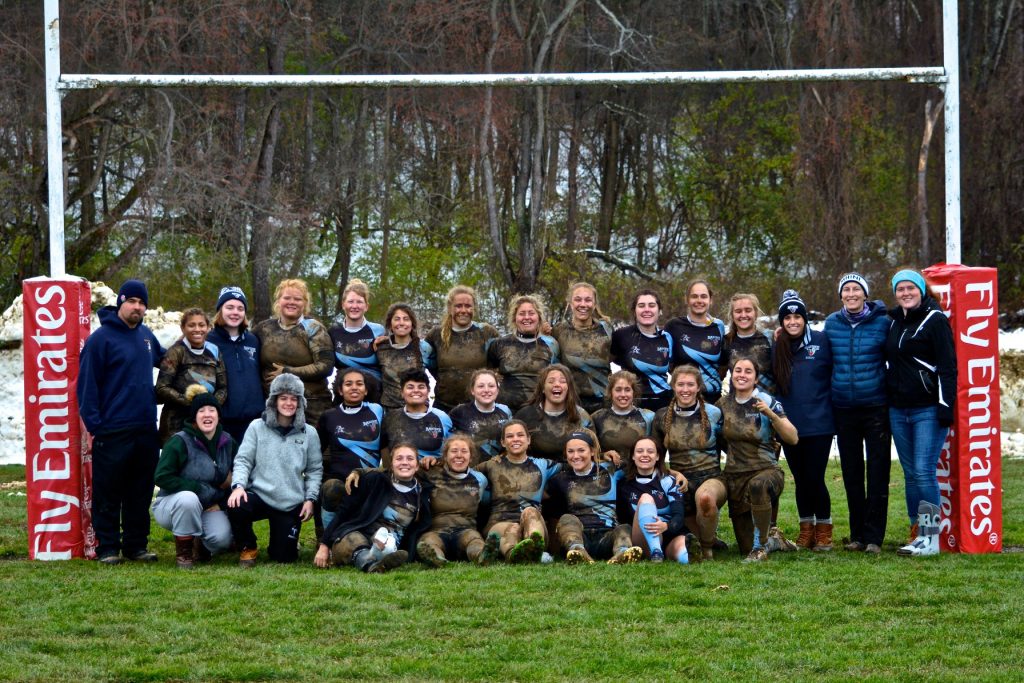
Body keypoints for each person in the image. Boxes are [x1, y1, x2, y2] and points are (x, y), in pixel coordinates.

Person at [77, 279, 165, 565]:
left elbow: (169, 362)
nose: (137, 307)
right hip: (112, 429)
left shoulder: (146, 336)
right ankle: (108, 548)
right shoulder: (100, 339)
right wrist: (96, 425)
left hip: (145, 428)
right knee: (109, 491)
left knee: (139, 491)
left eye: (142, 303)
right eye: (133, 302)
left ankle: (136, 545)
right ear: (121, 303)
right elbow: (87, 386)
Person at [886, 268, 957, 557]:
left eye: (910, 288)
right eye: (900, 289)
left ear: (921, 290)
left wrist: (945, 407)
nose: (905, 293)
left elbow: (948, 368)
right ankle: (917, 531)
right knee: (911, 474)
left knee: (924, 472)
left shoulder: (935, 320)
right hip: (898, 409)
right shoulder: (893, 322)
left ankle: (931, 537)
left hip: (927, 409)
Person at [823, 273, 891, 554]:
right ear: (840, 295)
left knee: (878, 471)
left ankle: (874, 537)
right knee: (852, 473)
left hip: (875, 406)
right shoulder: (831, 324)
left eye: (856, 289)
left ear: (865, 294)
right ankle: (857, 535)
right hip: (843, 408)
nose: (851, 294)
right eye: (846, 290)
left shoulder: (883, 322)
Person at [226, 373, 323, 566]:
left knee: (284, 557)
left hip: (290, 501)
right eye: (283, 398)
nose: (289, 403)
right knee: (236, 504)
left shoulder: (309, 433)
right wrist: (238, 486)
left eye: (294, 399)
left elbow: (314, 470)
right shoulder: (256, 427)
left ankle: (282, 543)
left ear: (300, 403)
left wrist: (310, 499)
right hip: (260, 495)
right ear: (274, 401)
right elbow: (243, 460)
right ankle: (248, 546)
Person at [772, 289, 835, 551]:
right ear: (782, 322)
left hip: (819, 423)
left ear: (805, 319)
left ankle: (824, 531)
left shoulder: (822, 341)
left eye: (798, 316)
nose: (793, 321)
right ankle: (806, 528)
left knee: (815, 477)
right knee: (800, 477)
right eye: (787, 318)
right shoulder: (779, 347)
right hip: (790, 425)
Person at [719, 357, 799, 562]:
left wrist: (772, 415)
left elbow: (793, 438)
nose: (742, 375)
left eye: (748, 371)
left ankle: (760, 547)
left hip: (766, 471)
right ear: (731, 375)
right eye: (738, 370)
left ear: (756, 379)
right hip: (736, 477)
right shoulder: (722, 405)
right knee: (742, 546)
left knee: (758, 485)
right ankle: (773, 541)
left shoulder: (767, 401)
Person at [152, 385, 236, 568]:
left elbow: (238, 475)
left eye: (212, 410)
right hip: (173, 504)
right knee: (188, 499)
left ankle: (200, 543)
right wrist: (198, 489)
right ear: (194, 418)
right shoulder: (179, 441)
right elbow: (161, 477)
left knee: (221, 540)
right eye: (201, 411)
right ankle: (185, 554)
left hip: (209, 507)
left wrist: (220, 503)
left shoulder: (228, 442)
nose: (207, 415)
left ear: (218, 416)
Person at [314, 443, 433, 573]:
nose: (404, 462)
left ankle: (382, 555)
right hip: (358, 535)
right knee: (352, 539)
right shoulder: (375, 480)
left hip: (391, 540)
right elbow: (344, 512)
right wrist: (324, 545)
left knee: (387, 543)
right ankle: (371, 563)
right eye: (399, 459)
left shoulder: (423, 492)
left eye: (410, 459)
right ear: (391, 464)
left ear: (417, 466)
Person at [652, 365, 725, 561]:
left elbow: (730, 446)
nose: (685, 389)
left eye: (690, 385)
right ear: (673, 386)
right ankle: (705, 539)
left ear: (699, 387)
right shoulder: (661, 417)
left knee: (706, 498)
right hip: (681, 482)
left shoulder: (714, 413)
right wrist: (674, 474)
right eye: (680, 384)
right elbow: (654, 459)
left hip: (712, 478)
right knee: (692, 539)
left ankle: (708, 549)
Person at [545, 432, 643, 565]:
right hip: (580, 536)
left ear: (592, 451)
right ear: (565, 454)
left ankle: (622, 553)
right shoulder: (560, 478)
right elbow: (543, 496)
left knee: (624, 527)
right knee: (566, 519)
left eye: (581, 450)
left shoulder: (610, 469)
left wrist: (674, 473)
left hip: (608, 536)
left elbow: (642, 464)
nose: (576, 456)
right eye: (570, 451)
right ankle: (577, 552)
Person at [474, 420, 560, 563]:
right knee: (511, 528)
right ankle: (513, 553)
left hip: (532, 524)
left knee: (530, 511)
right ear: (502, 442)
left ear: (528, 440)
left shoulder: (543, 465)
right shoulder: (492, 465)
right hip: (500, 522)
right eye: (510, 436)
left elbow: (575, 464)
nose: (515, 439)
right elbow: (465, 473)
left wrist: (602, 457)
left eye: (520, 435)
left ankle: (534, 547)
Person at [253, 278, 334, 427]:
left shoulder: (313, 328)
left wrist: (287, 371)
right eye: (287, 298)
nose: (292, 302)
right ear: (278, 301)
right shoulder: (263, 329)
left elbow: (326, 365)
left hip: (312, 405)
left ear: (305, 303)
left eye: (297, 299)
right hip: (273, 405)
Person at [317, 369, 385, 531]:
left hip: (369, 479)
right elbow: (316, 451)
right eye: (348, 384)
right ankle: (327, 538)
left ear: (366, 389)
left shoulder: (377, 411)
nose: (354, 387)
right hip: (339, 480)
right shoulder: (329, 416)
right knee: (330, 488)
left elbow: (386, 445)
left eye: (359, 384)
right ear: (340, 390)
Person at [416, 435, 495, 566]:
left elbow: (487, 502)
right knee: (428, 542)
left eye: (464, 451)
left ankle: (482, 556)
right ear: (445, 456)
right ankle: (437, 559)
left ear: (471, 457)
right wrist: (423, 461)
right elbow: (408, 471)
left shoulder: (479, 479)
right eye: (454, 451)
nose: (459, 455)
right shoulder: (431, 473)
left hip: (466, 530)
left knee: (474, 540)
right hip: (437, 531)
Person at [155, 307, 228, 443]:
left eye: (201, 325)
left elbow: (223, 387)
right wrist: (190, 402)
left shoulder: (214, 351)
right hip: (175, 424)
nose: (197, 329)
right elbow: (161, 387)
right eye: (191, 325)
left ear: (208, 327)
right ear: (183, 328)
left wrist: (209, 406)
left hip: (206, 422)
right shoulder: (176, 352)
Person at [425, 285, 500, 412]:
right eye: (458, 306)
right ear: (450, 308)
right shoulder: (436, 334)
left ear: (474, 308)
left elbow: (502, 360)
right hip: (444, 405)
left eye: (468, 306)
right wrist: (389, 340)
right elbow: (421, 357)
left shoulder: (486, 332)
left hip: (478, 406)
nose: (463, 310)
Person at [615, 437, 689, 563]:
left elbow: (679, 515)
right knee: (646, 498)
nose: (645, 455)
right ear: (633, 456)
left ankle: (687, 556)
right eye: (639, 451)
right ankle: (656, 551)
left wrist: (666, 526)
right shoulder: (624, 484)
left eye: (650, 451)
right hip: (642, 539)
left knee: (682, 551)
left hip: (669, 531)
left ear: (658, 457)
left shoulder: (669, 481)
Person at [207, 286, 265, 444]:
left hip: (254, 421)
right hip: (223, 421)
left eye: (240, 308)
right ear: (220, 309)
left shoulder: (253, 340)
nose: (235, 312)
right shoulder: (208, 341)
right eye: (229, 307)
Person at [486, 294, 560, 412]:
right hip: (506, 411)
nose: (527, 317)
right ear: (514, 317)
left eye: (531, 313)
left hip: (539, 411)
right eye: (521, 313)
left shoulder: (551, 344)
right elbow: (487, 373)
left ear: (539, 317)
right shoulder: (500, 344)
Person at [514, 364, 599, 463]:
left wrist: (604, 455)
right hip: (536, 473)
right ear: (543, 388)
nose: (557, 384)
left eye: (563, 381)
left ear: (568, 388)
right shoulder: (525, 415)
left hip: (571, 473)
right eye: (551, 381)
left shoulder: (581, 416)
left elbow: (592, 452)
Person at [550, 282, 614, 413]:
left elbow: (617, 357)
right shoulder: (559, 330)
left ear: (595, 304)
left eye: (588, 300)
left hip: (604, 404)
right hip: (571, 404)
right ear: (570, 303)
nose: (583, 304)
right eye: (578, 299)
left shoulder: (607, 329)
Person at [610, 289, 673, 411]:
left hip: (663, 404)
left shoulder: (668, 337)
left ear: (659, 311)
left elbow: (674, 369)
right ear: (634, 311)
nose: (647, 310)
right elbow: (607, 363)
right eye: (641, 306)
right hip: (631, 403)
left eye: (652, 305)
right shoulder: (621, 335)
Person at [666, 279, 727, 403]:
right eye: (694, 296)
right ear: (687, 299)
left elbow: (724, 363)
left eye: (703, 296)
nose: (699, 300)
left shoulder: (719, 326)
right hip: (683, 398)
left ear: (710, 300)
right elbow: (667, 363)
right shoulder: (673, 326)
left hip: (712, 397)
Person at [329, 278, 387, 404]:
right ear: (343, 304)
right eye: (350, 301)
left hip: (374, 398)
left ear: (366, 306)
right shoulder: (333, 332)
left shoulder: (378, 330)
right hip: (343, 398)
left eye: (359, 302)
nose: (354, 306)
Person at [380, 368, 452, 466]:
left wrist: (437, 461)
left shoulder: (443, 418)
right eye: (410, 387)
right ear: (402, 392)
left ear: (428, 391)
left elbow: (452, 453)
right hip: (400, 476)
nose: (416, 391)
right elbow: (385, 452)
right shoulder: (390, 418)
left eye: (421, 387)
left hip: (433, 477)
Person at [376, 302, 435, 410]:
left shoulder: (424, 348)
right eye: (397, 319)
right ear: (390, 324)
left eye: (406, 319)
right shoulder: (380, 348)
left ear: (412, 323)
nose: (401, 323)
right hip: (390, 410)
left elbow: (437, 372)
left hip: (419, 409)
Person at [448, 368, 513, 464]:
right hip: (469, 469)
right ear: (472, 390)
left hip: (498, 468)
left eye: (491, 386)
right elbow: (446, 442)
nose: (486, 390)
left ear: (497, 390)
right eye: (481, 386)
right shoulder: (459, 412)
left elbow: (510, 441)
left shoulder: (505, 411)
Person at [590, 370, 655, 464]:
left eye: (627, 390)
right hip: (608, 474)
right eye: (618, 390)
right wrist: (603, 455)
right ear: (610, 392)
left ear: (634, 392)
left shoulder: (649, 417)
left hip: (639, 473)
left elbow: (657, 451)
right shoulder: (597, 417)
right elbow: (587, 451)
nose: (623, 394)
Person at [719, 293, 775, 394]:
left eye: (748, 310)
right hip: (737, 405)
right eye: (738, 311)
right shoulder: (727, 341)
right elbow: (719, 375)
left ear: (756, 313)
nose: (743, 315)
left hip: (767, 405)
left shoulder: (770, 338)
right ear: (732, 315)